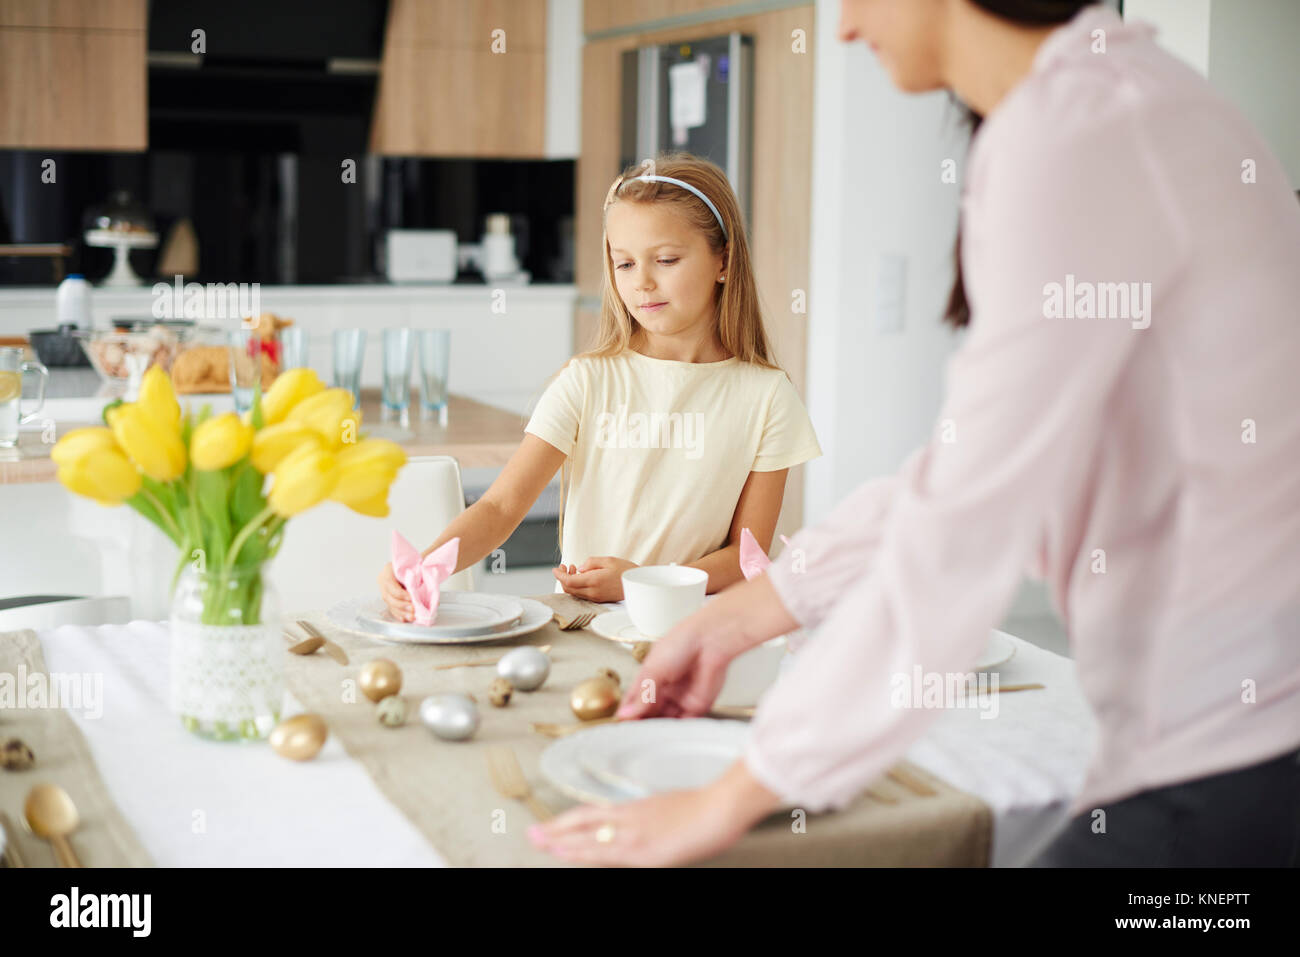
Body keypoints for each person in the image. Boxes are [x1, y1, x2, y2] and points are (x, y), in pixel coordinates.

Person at [529, 0, 1300, 866]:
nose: (848, 27)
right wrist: (741, 615)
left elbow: (963, 527)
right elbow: (962, 469)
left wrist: (737, 794)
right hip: (1214, 738)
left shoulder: (1078, 139)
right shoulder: (1112, 103)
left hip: (1231, 753)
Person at [378, 153, 821, 616]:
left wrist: (640, 583)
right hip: (582, 625)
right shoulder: (586, 381)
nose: (643, 283)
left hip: (690, 627)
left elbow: (746, 556)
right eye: (624, 264)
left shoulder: (768, 397)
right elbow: (501, 508)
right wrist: (426, 564)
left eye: (666, 259)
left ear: (723, 262)